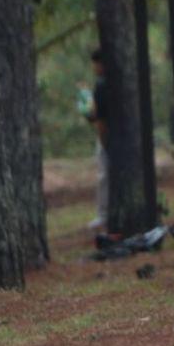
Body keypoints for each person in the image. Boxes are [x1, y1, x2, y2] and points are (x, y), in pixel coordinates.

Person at [78, 49, 109, 231]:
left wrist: (103, 138)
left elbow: (100, 117)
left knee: (104, 175)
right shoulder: (101, 85)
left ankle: (103, 214)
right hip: (107, 135)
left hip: (106, 136)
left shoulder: (102, 85)